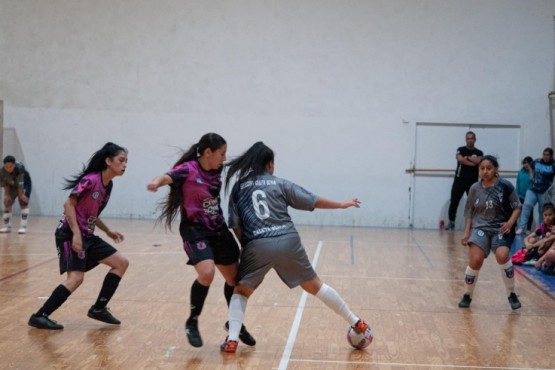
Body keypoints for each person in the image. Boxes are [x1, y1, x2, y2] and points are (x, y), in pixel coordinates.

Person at [220, 141, 371, 353]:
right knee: (315, 286)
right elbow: (313, 200)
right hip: (287, 239)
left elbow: (235, 225)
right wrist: (341, 204)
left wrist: (247, 246)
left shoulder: (238, 188)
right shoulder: (280, 183)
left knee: (241, 291)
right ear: (270, 164)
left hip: (256, 243)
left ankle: (232, 340)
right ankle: (357, 322)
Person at [146, 133, 255, 348]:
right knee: (207, 274)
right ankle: (192, 321)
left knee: (235, 282)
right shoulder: (188, 169)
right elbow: (167, 176)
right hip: (195, 231)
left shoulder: (217, 169)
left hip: (219, 230)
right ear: (208, 152)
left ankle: (234, 325)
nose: (224, 158)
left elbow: (234, 164)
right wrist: (155, 182)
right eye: (221, 153)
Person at [28, 142, 130, 330]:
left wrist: (107, 231)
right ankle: (40, 315)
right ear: (108, 161)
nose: (124, 165)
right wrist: (75, 234)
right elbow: (69, 204)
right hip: (69, 234)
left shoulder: (109, 186)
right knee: (76, 279)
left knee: (121, 263)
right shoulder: (91, 180)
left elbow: (92, 213)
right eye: (121, 160)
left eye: (126, 161)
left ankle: (99, 308)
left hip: (87, 235)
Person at [458, 155, 522, 310]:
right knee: (476, 260)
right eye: (482, 168)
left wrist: (510, 223)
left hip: (500, 228)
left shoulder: (505, 185)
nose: (485, 171)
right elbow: (469, 212)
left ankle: (511, 293)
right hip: (480, 228)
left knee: (502, 256)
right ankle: (467, 294)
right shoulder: (474, 188)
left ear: (496, 169)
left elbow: (517, 206)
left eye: (489, 168)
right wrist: (467, 232)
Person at [445, 131, 483, 230]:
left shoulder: (479, 152)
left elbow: (479, 160)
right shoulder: (460, 149)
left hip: (473, 182)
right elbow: (460, 159)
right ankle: (451, 222)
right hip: (459, 181)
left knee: (474, 203)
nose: (470, 140)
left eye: (471, 138)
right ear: (466, 140)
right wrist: (471, 163)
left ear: (475, 140)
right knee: (454, 201)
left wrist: (468, 157)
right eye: (468, 138)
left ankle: (474, 224)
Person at [516, 148, 555, 234]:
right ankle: (522, 228)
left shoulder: (553, 165)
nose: (545, 156)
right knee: (526, 207)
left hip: (544, 191)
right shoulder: (537, 161)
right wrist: (531, 175)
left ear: (551, 156)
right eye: (544, 154)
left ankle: (541, 230)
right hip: (532, 189)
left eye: (547, 155)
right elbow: (529, 165)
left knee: (542, 211)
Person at [0, 155, 32, 234]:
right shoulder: (2, 172)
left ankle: (23, 227)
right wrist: (7, 195)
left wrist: (21, 196)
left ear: (14, 165)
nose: (8, 169)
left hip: (24, 184)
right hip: (12, 185)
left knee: (23, 202)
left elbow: (20, 184)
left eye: (11, 166)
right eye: (6, 167)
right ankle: (7, 227)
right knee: (7, 203)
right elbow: (5, 184)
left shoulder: (19, 169)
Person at [516, 156, 534, 233]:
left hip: (530, 196)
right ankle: (519, 227)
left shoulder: (533, 172)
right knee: (517, 211)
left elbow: (533, 180)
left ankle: (528, 229)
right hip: (520, 196)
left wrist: (530, 170)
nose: (526, 164)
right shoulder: (520, 172)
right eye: (525, 163)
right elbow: (518, 184)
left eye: (528, 163)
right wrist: (516, 194)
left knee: (530, 212)